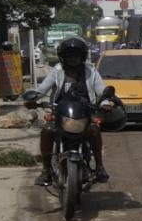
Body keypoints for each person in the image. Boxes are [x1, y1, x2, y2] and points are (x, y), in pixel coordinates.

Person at [27, 37, 113, 185]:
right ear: (63, 57)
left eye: (76, 55)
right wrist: (33, 98)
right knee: (47, 131)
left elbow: (100, 91)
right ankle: (46, 170)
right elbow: (43, 89)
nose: (73, 59)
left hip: (85, 112)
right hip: (61, 113)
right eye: (69, 55)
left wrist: (105, 103)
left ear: (82, 56)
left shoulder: (91, 71)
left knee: (94, 130)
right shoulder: (57, 71)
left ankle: (99, 166)